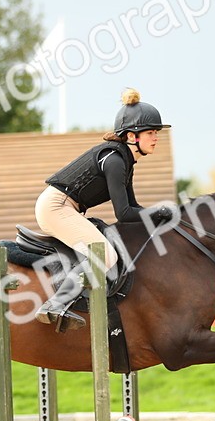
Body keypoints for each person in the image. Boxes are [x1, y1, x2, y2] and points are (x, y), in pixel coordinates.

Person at [34, 88, 175, 331]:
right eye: (151, 132)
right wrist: (159, 212)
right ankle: (55, 305)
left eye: (156, 133)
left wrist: (159, 217)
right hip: (55, 207)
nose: (156, 138)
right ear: (132, 136)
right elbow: (124, 214)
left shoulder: (125, 161)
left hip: (64, 207)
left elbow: (133, 209)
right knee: (106, 255)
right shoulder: (115, 161)